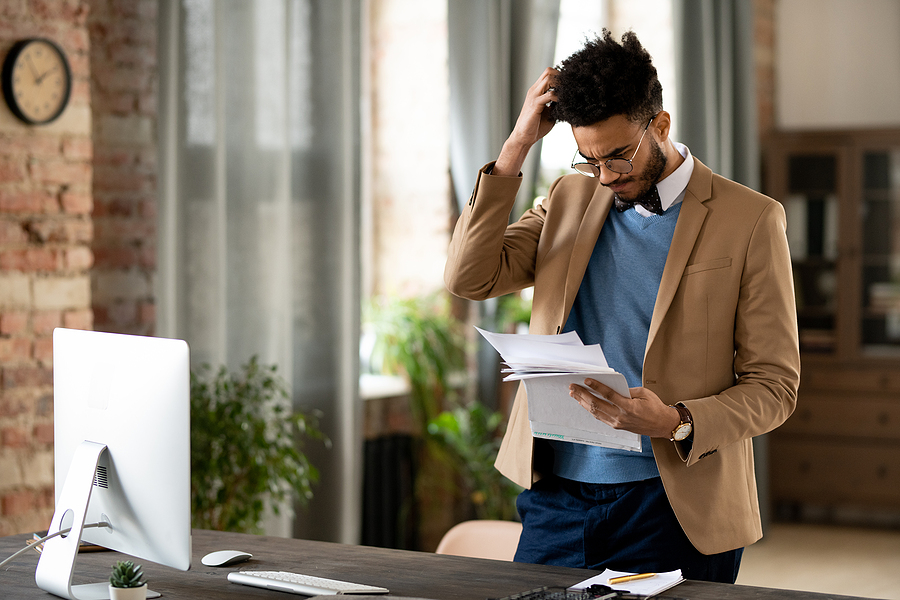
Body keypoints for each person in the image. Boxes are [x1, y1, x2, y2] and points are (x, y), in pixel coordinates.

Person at [444, 30, 799, 584]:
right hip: (558, 496)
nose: (606, 176)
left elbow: (775, 386)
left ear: (660, 124)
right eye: (589, 159)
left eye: (617, 156)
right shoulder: (570, 197)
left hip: (674, 505)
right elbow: (470, 276)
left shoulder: (751, 219)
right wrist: (515, 148)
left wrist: (677, 420)